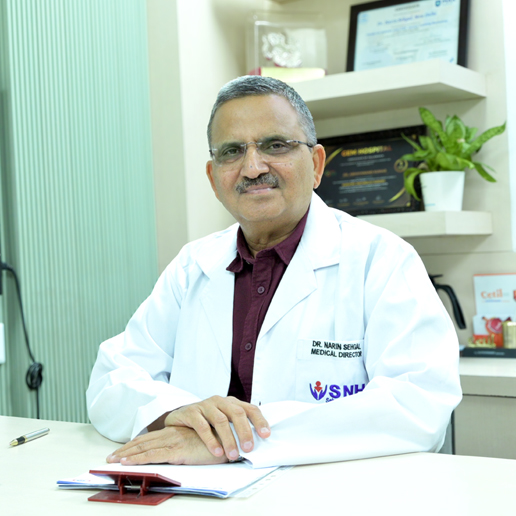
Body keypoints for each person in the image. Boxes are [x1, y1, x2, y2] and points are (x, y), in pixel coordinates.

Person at [86, 76, 462, 469]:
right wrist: (178, 414)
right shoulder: (191, 266)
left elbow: (418, 406)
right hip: (199, 491)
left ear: (316, 165)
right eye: (232, 151)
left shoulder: (381, 260)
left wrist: (233, 438)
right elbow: (112, 379)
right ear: (213, 179)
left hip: (333, 493)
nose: (252, 168)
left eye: (275, 145)